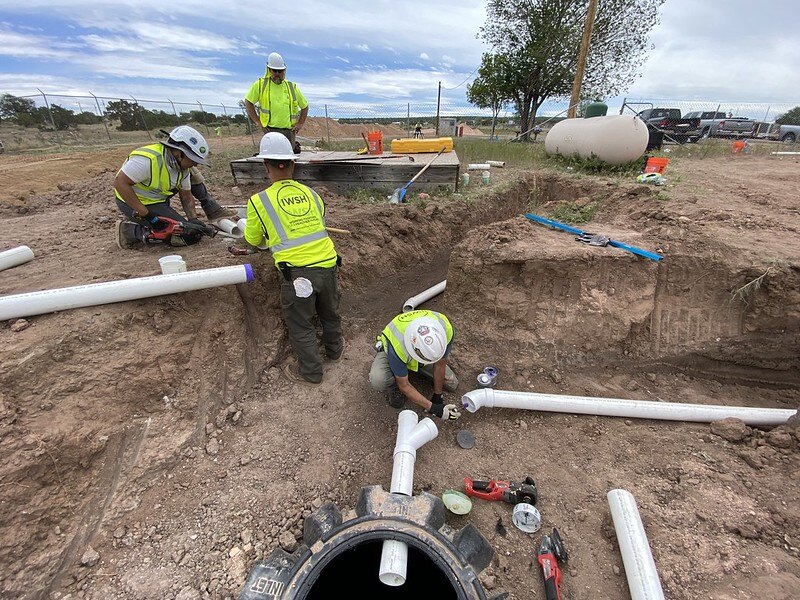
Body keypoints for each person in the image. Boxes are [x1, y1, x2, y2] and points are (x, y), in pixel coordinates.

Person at [241, 132, 343, 384]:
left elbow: (253, 240)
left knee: (301, 324)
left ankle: (310, 372)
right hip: (329, 265)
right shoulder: (312, 194)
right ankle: (335, 350)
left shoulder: (258, 201)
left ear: (266, 165)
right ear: (293, 163)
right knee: (330, 313)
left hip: (297, 273)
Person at [114, 125, 236, 249]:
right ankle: (129, 232)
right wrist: (147, 215)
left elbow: (186, 195)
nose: (196, 164)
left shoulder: (181, 168)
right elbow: (120, 183)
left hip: (158, 200)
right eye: (194, 159)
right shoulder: (148, 160)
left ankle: (211, 210)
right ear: (179, 153)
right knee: (182, 236)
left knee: (191, 232)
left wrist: (192, 219)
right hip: (133, 202)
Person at [369, 309, 461, 421]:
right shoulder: (398, 346)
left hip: (422, 355)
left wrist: (438, 395)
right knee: (378, 379)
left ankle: (418, 367)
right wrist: (433, 408)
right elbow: (404, 385)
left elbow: (440, 364)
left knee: (452, 383)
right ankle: (394, 385)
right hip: (394, 351)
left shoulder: (446, 329)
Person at [244, 52, 309, 154]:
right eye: (275, 71)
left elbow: (305, 107)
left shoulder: (291, 87)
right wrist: (257, 122)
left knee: (288, 162)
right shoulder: (260, 85)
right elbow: (248, 102)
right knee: (272, 161)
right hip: (270, 131)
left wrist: (300, 123)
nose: (278, 74)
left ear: (284, 70)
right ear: (269, 70)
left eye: (280, 71)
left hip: (289, 132)